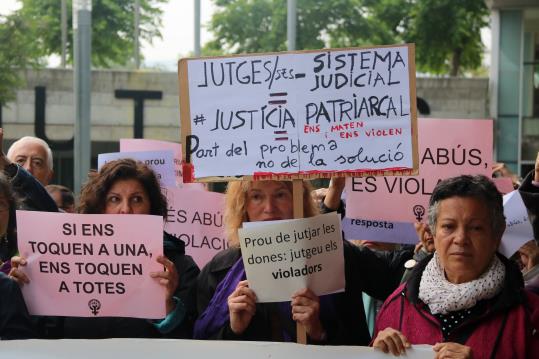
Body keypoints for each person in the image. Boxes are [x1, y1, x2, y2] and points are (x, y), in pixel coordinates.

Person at [195, 179, 405, 345]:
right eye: (257, 196)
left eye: (280, 194)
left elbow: (396, 278)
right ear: (242, 206)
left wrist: (320, 331)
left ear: (299, 200)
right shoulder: (218, 272)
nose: (269, 208)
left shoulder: (336, 254)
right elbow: (195, 347)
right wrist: (233, 330)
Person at [10, 159, 199, 338]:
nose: (126, 209)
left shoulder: (180, 268)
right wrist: (24, 292)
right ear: (99, 207)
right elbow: (40, 334)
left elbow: (194, 340)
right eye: (115, 199)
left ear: (152, 207)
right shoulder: (67, 259)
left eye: (137, 199)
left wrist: (168, 307)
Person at [372, 175, 539, 358]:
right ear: (433, 233)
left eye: (475, 228)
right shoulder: (397, 306)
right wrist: (376, 353)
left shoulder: (530, 315)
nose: (461, 239)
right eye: (449, 226)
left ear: (497, 234)